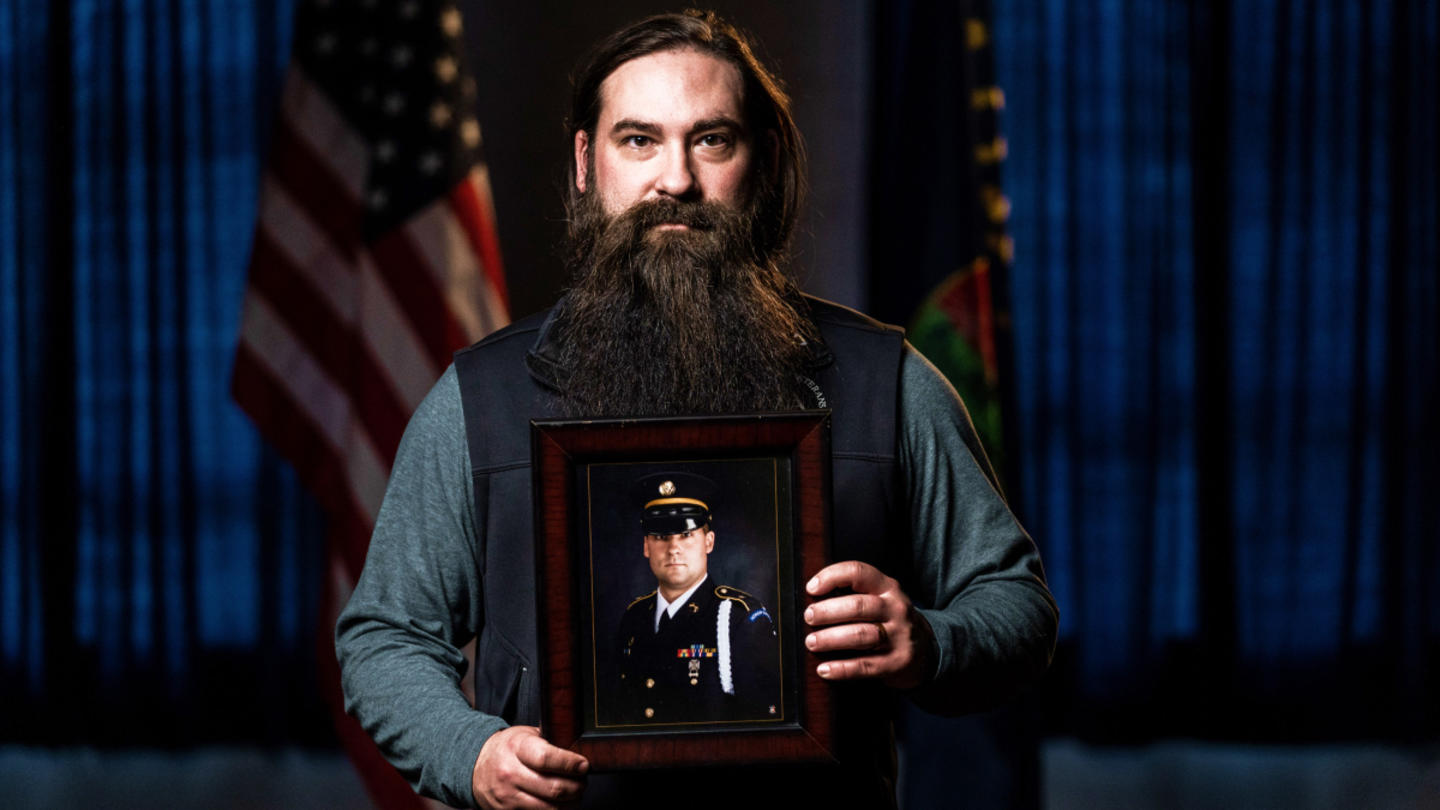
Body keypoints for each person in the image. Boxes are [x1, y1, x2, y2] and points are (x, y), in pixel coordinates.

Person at [336, 10, 1058, 810]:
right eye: (638, 140)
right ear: (586, 163)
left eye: (712, 140)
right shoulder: (481, 399)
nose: (674, 179)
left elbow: (1016, 605)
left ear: (766, 159)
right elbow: (385, 636)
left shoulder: (884, 380)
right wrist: (465, 750)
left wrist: (930, 642)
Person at [610, 472, 779, 726]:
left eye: (686, 535)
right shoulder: (633, 617)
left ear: (708, 542)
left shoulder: (738, 619)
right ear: (646, 546)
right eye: (661, 536)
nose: (673, 548)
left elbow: (765, 729)